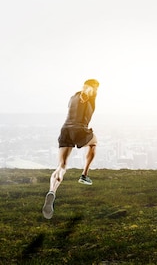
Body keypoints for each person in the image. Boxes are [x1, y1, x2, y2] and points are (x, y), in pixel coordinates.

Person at [42, 78, 100, 219]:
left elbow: (78, 99)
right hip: (79, 130)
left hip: (65, 130)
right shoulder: (86, 94)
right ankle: (84, 175)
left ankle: (52, 191)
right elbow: (85, 94)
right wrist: (87, 92)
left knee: (62, 166)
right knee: (94, 143)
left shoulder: (72, 97)